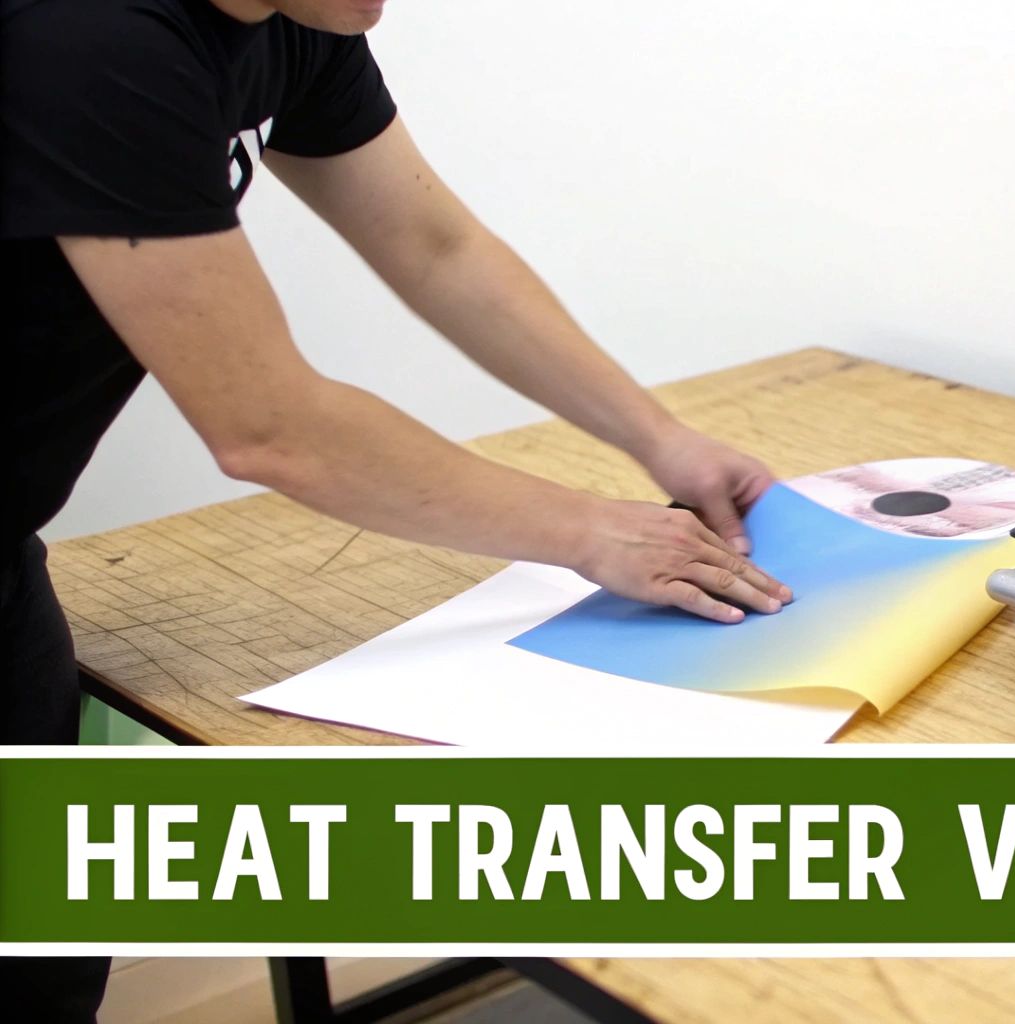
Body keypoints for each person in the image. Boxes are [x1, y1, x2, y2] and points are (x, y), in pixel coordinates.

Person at [1, 0, 793, 1017]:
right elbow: (269, 423)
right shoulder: (89, 36)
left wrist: (660, 439)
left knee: (43, 959)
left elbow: (436, 247)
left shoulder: (295, 23)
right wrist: (594, 531)